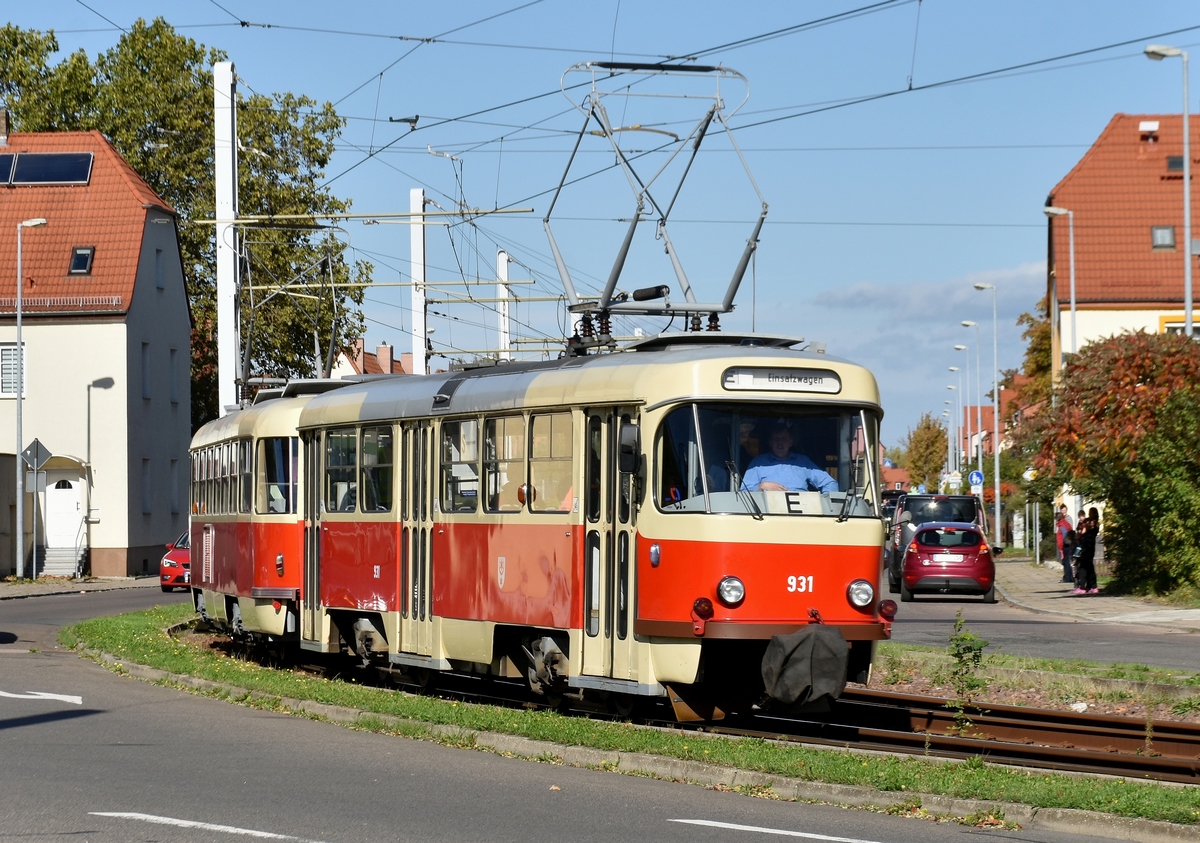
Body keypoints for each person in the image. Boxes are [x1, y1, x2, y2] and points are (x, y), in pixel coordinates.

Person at [741, 420, 838, 493]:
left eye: (783, 439)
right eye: (776, 439)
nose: (780, 443)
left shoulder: (803, 462)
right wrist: (760, 487)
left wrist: (824, 505)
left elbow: (830, 483)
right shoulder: (758, 463)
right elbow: (744, 492)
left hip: (803, 511)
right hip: (767, 512)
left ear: (791, 442)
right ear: (770, 443)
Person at [1073, 507, 1100, 595]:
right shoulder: (1097, 523)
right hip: (1091, 546)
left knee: (1083, 566)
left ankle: (1082, 587)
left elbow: (1083, 532)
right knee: (1090, 566)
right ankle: (1092, 586)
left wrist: (1077, 536)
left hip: (1085, 546)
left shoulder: (1089, 523)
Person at [1055, 505, 1074, 584]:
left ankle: (1067, 578)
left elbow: (1064, 533)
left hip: (1065, 545)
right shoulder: (1065, 523)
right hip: (1069, 544)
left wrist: (1063, 542)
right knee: (1068, 561)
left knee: (1066, 561)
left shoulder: (1061, 524)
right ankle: (1071, 577)